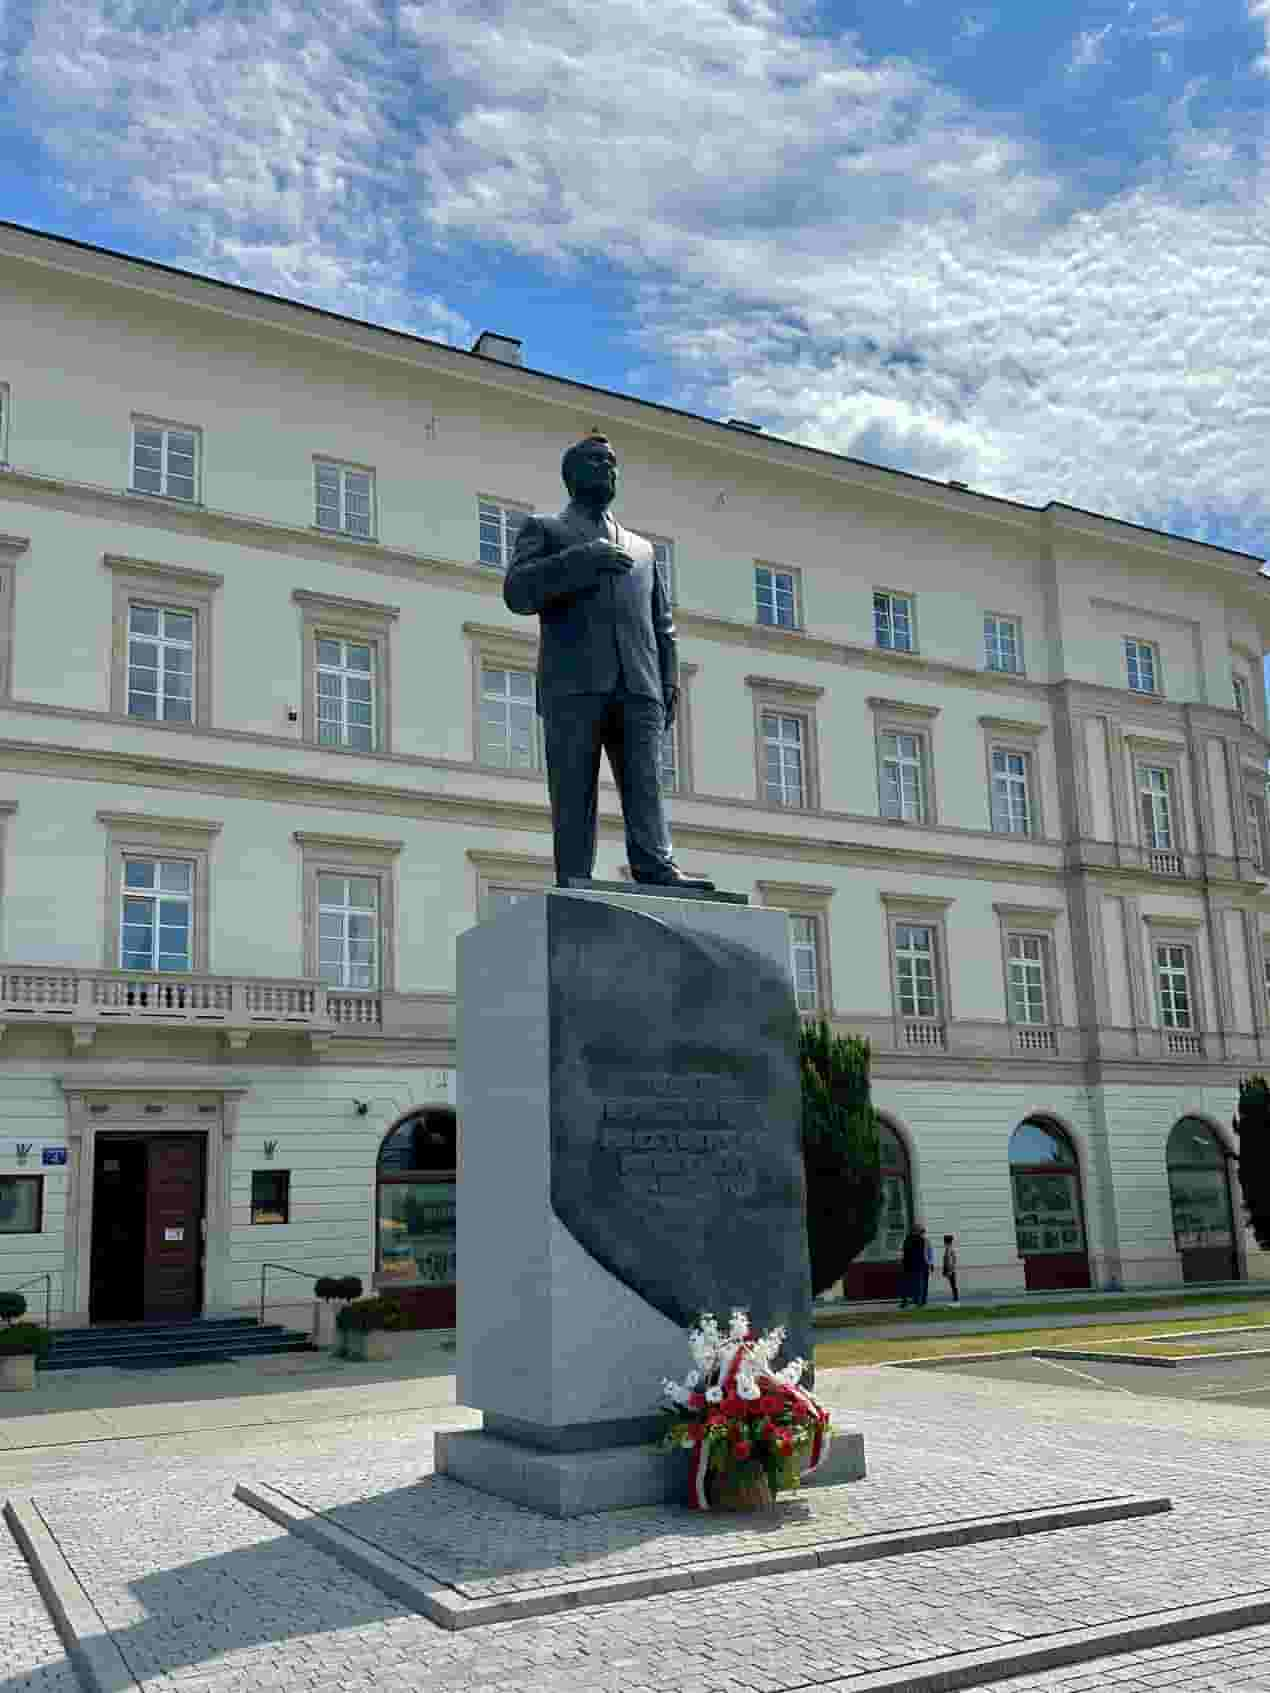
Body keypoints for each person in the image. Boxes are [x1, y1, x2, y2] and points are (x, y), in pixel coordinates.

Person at [503, 434, 712, 890]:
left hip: (639, 687)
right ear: (571, 475)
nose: (608, 468)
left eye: (613, 462)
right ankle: (575, 876)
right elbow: (517, 592)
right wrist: (584, 560)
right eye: (596, 460)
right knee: (574, 787)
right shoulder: (547, 530)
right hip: (574, 684)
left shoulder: (643, 550)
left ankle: (656, 865)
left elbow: (664, 625)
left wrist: (668, 684)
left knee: (647, 784)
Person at [899, 1223, 926, 1309]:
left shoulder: (907, 1239)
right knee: (918, 1283)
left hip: (907, 1264)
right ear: (918, 1231)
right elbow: (921, 1254)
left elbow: (904, 1251)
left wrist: (904, 1261)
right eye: (920, 1230)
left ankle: (904, 1302)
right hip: (917, 1264)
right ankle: (918, 1302)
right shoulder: (921, 1240)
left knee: (906, 1284)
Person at [942, 1233, 960, 1304]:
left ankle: (956, 1298)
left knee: (953, 1284)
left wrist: (949, 1270)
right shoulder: (950, 1248)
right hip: (951, 1268)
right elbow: (954, 1259)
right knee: (953, 1284)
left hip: (950, 1268)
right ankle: (955, 1297)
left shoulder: (948, 1249)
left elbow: (948, 1260)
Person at [920, 1227, 934, 1307]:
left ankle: (923, 1300)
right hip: (925, 1264)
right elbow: (930, 1253)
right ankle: (923, 1300)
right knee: (924, 1283)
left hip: (924, 1264)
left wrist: (931, 1264)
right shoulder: (927, 1241)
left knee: (923, 1282)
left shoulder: (926, 1241)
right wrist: (931, 1264)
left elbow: (930, 1253)